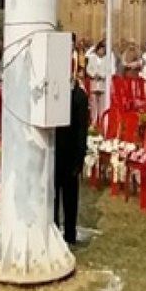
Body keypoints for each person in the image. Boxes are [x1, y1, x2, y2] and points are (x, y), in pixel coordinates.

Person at [53, 59, 90, 244]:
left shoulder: (79, 97)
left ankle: (69, 234)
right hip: (54, 153)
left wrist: (80, 157)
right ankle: (52, 232)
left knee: (70, 198)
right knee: (52, 197)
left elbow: (82, 130)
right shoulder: (54, 95)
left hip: (71, 155)